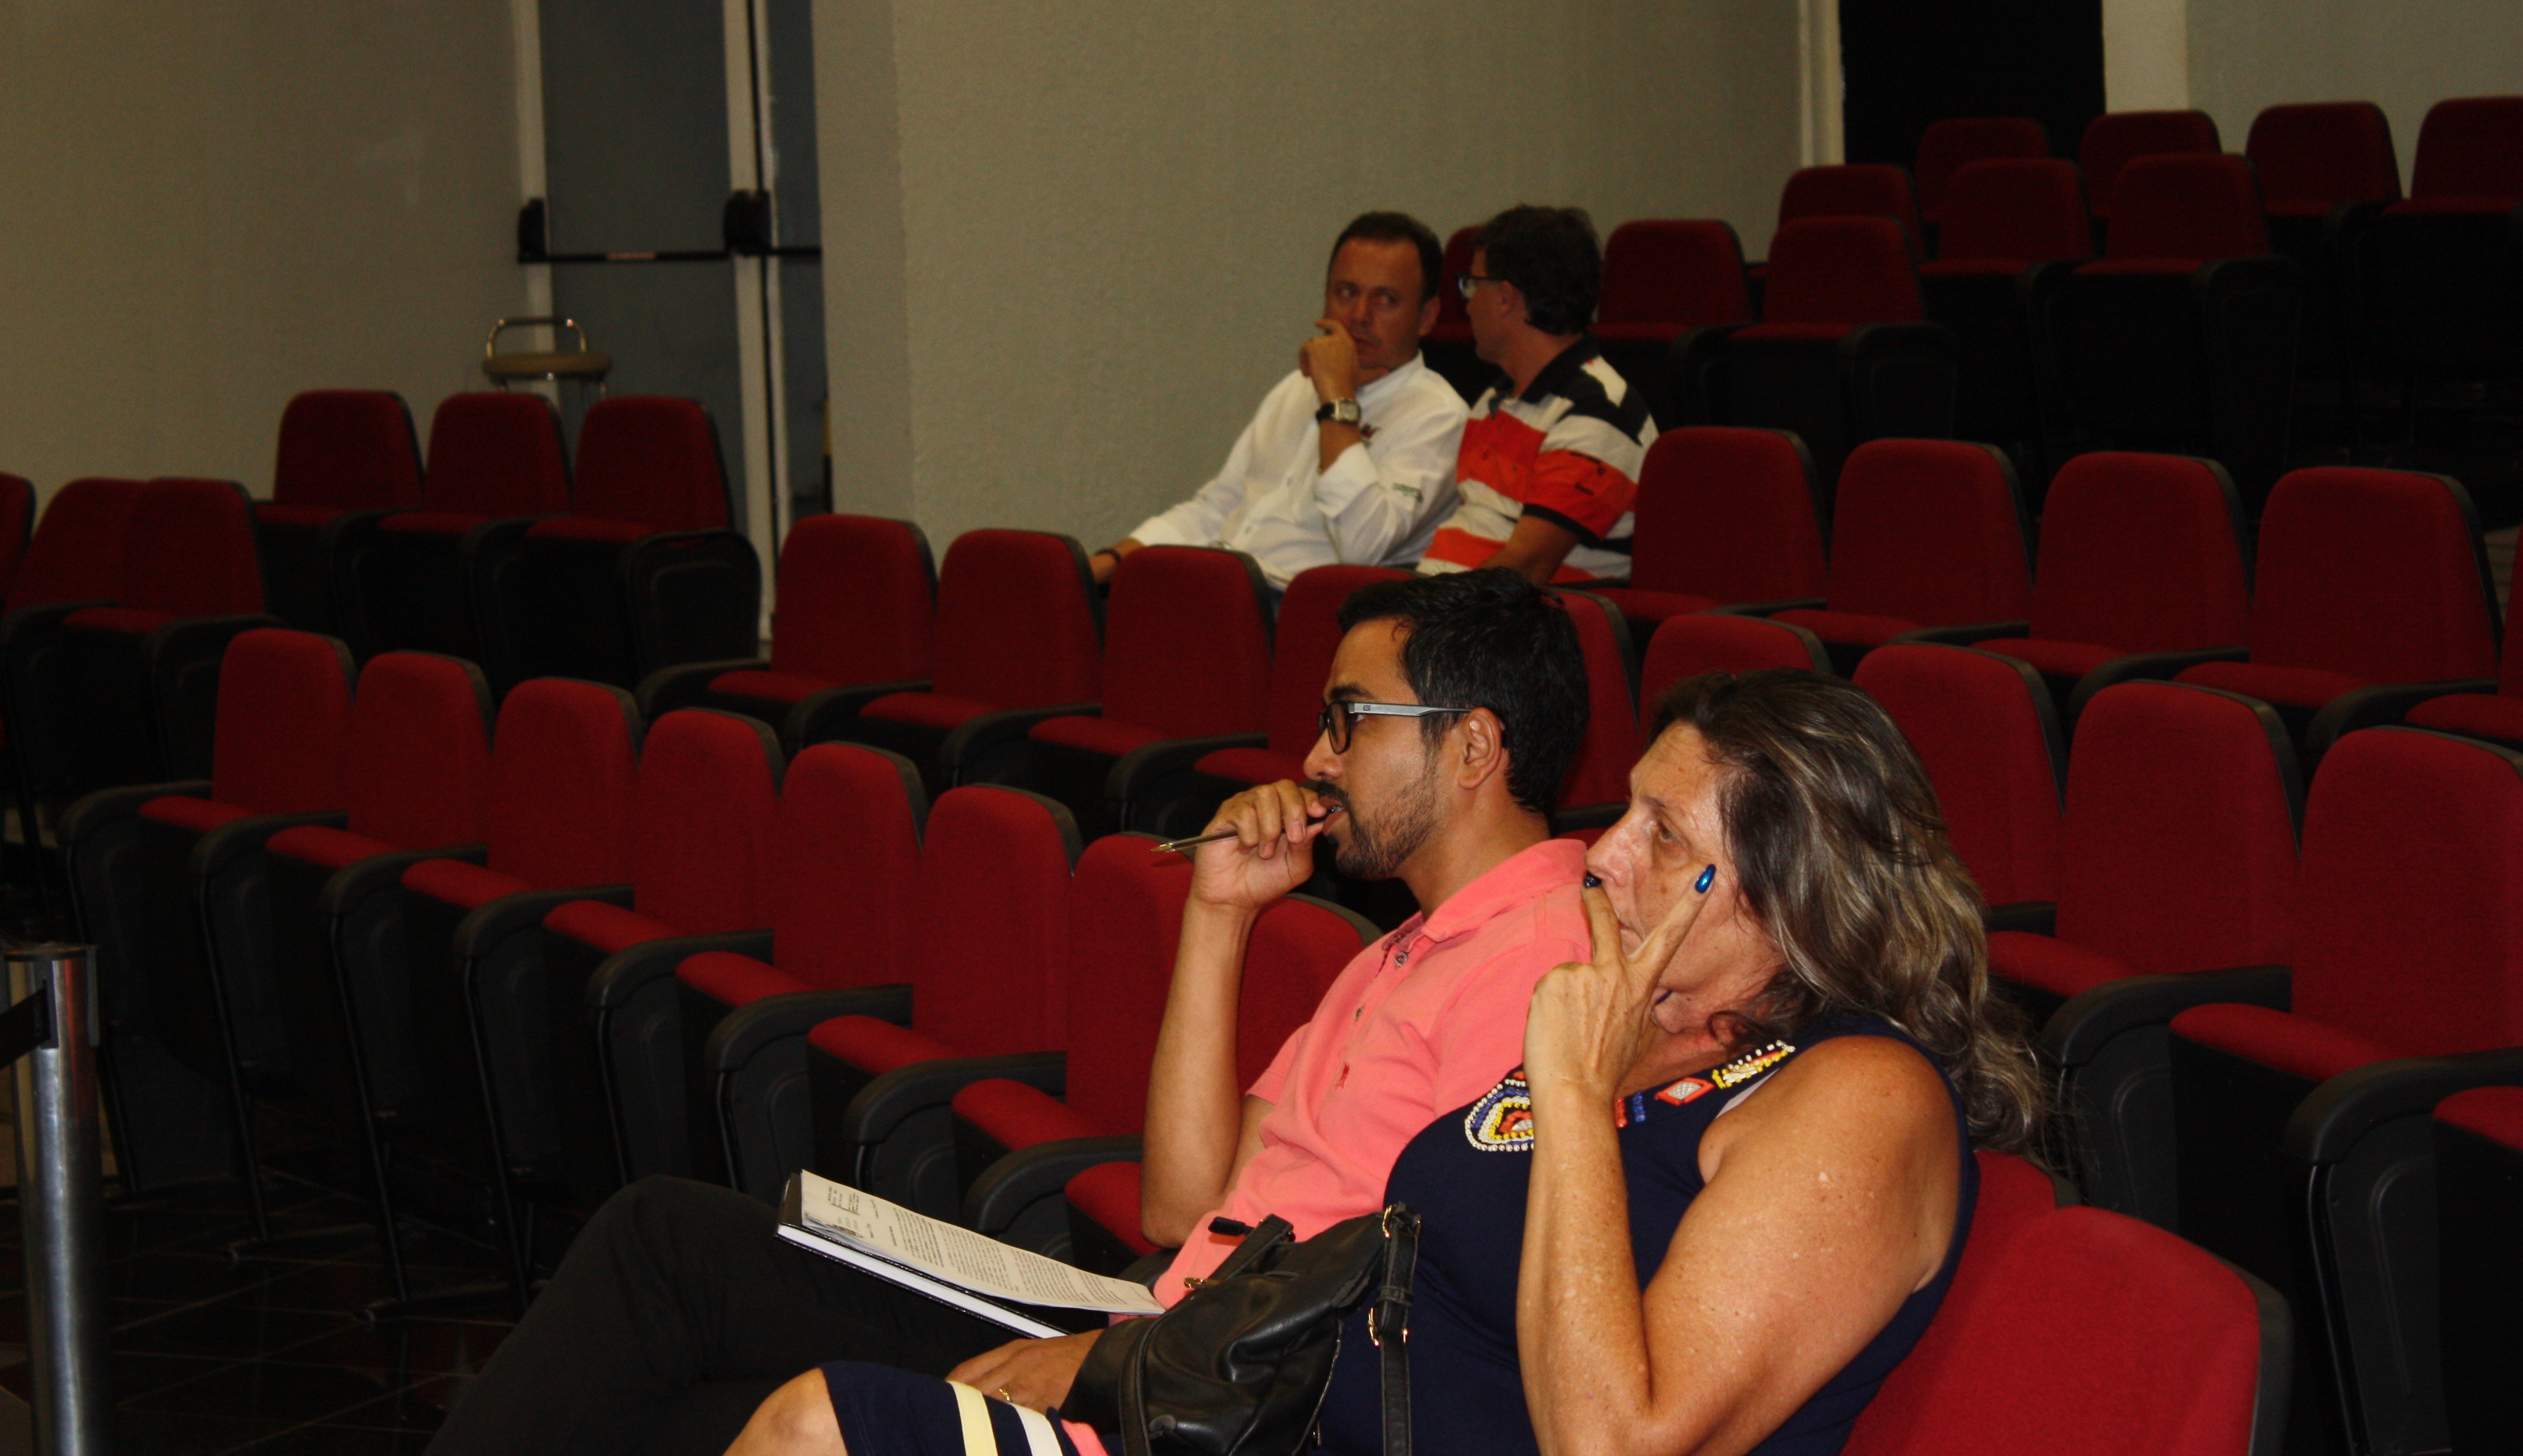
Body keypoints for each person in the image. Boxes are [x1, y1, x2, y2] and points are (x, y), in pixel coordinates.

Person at [425, 570, 1596, 1456]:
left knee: (757, 1385)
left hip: (1217, 1391)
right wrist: (1217, 914)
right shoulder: (1399, 949)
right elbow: (1182, 1202)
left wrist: (1119, 1357)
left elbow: (1421, 1305)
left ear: (1472, 745)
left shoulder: (1541, 968)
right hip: (1164, 1321)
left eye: (1350, 718)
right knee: (667, 1259)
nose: (1315, 755)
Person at [744, 669, 2043, 1456]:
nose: (1603, 854)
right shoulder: (1648, 1034)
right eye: (1626, 811)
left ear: (1792, 888)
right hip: (1277, 1426)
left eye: (1663, 832)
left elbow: (1617, 1441)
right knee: (827, 1416)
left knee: (825, 1425)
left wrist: (1570, 1093)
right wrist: (1123, 1364)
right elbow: (1351, 1270)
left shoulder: (1860, 1094)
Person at [1091, 212, 1469, 591]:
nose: (1359, 316)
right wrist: (1110, 561)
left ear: (1426, 317)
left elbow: (1363, 548)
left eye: (1385, 300)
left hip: (1302, 609)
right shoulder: (1295, 388)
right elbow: (1216, 509)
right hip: (1221, 589)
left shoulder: (1439, 416)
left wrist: (1337, 401)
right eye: (1346, 293)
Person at [1419, 205, 1657, 587]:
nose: (1467, 304)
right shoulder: (1494, 400)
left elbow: (1524, 571)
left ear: (1505, 298)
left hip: (1516, 617)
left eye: (1473, 285)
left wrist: (1422, 612)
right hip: (1453, 605)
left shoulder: (1598, 413)